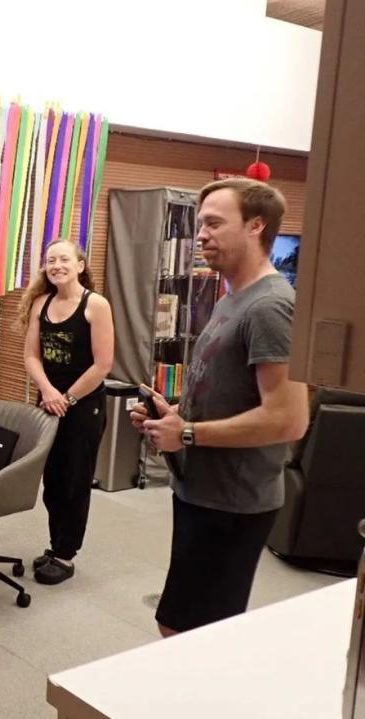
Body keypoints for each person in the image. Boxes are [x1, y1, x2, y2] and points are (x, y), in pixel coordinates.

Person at [129, 178, 309, 637]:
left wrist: (186, 433)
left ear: (255, 225)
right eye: (200, 222)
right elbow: (228, 391)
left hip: (233, 502)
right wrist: (170, 414)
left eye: (213, 223)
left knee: (193, 632)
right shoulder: (234, 297)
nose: (201, 234)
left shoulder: (271, 307)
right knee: (185, 626)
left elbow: (288, 419)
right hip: (203, 491)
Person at [18, 239, 114, 584]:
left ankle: (65, 554)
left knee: (74, 481)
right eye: (50, 260)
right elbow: (32, 356)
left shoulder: (95, 305)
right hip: (48, 402)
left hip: (83, 406)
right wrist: (48, 391)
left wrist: (67, 399)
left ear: (80, 265)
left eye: (64, 259)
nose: (56, 265)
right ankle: (56, 542)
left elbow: (103, 365)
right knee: (53, 480)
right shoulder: (41, 303)